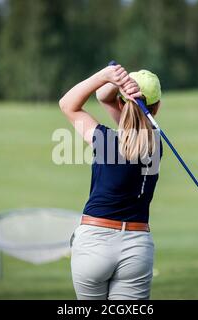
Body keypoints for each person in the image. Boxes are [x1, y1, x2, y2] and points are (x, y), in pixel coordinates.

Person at [59, 64, 162, 300]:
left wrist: (106, 76)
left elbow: (68, 104)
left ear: (120, 103)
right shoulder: (156, 144)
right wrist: (118, 88)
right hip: (136, 249)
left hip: (94, 243)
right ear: (156, 108)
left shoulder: (105, 141)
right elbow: (120, 109)